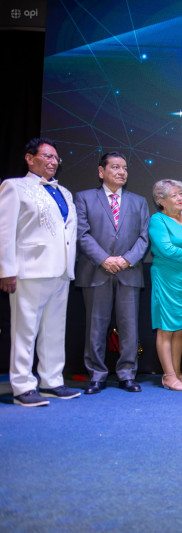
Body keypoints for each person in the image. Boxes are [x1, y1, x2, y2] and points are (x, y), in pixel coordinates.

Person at [0, 138, 80, 406]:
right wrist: (6, 269)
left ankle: (52, 381)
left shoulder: (65, 192)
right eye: (46, 156)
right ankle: (22, 385)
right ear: (29, 158)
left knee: (55, 329)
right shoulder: (15, 186)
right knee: (24, 330)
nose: (52, 162)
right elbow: (5, 231)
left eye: (56, 158)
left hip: (61, 271)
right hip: (30, 270)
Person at [75, 152, 150, 394]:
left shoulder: (139, 201)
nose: (121, 172)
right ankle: (97, 375)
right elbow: (82, 233)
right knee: (95, 327)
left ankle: (127, 374)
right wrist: (104, 259)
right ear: (101, 172)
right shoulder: (84, 198)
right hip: (96, 271)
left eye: (124, 168)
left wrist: (126, 260)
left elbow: (143, 237)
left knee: (129, 327)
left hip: (129, 273)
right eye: (115, 167)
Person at [148, 179, 182, 391]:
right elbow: (166, 250)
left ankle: (178, 373)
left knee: (180, 329)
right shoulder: (157, 220)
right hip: (167, 278)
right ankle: (168, 376)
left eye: (181, 193)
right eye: (174, 195)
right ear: (161, 201)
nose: (180, 198)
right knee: (166, 328)